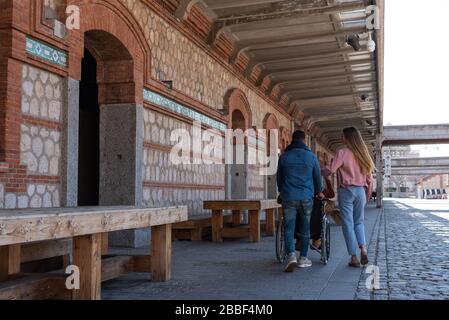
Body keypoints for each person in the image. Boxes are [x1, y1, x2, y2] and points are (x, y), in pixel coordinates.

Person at [322, 127, 374, 268]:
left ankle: (353, 257)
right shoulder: (364, 155)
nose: (341, 138)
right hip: (360, 192)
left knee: (348, 224)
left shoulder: (342, 152)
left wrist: (320, 171)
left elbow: (331, 170)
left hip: (346, 191)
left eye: (343, 136)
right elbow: (370, 180)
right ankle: (363, 248)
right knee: (359, 222)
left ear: (348, 138)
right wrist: (367, 196)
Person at [277, 130, 324, 272]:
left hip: (289, 197)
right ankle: (303, 258)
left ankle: (291, 255)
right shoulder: (311, 157)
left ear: (292, 140)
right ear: (305, 141)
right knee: (305, 229)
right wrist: (319, 191)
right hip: (306, 198)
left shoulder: (284, 157)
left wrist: (281, 192)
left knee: (289, 227)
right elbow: (317, 178)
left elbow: (280, 179)